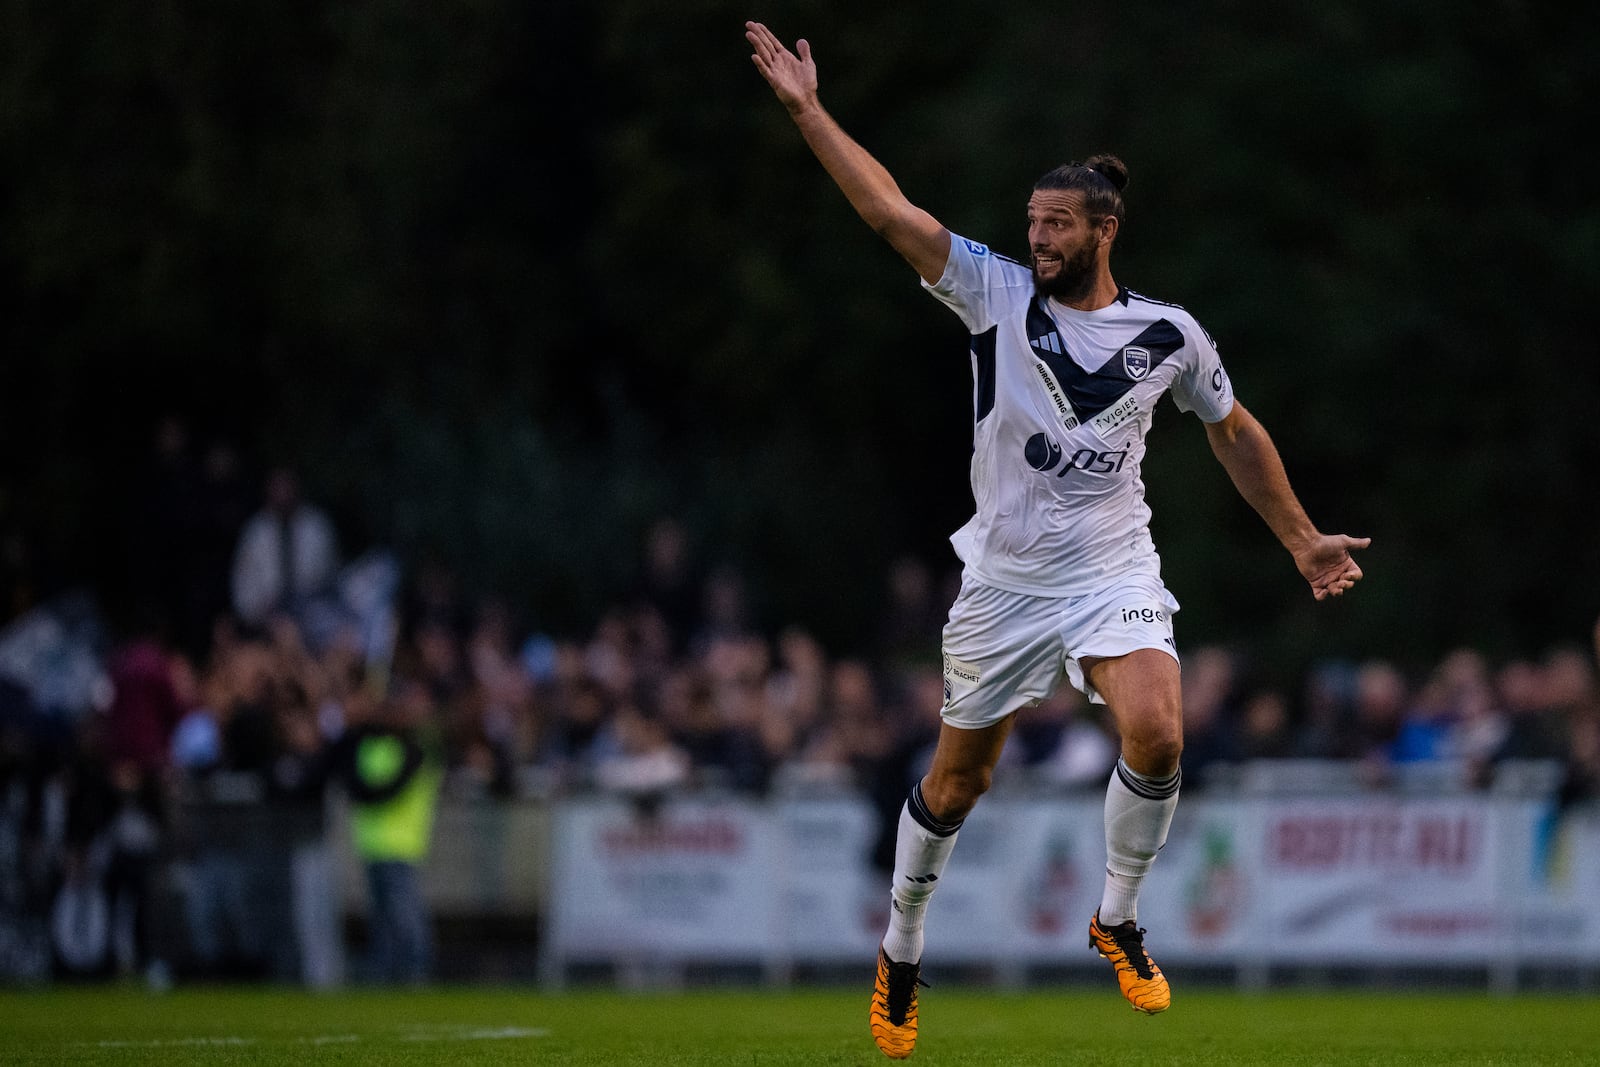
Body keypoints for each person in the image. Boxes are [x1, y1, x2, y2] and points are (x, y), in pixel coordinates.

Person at [745, 22, 1370, 1059]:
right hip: (1001, 582)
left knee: (1160, 732)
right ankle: (900, 947)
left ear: (1102, 230)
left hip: (1111, 566)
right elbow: (888, 211)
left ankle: (1116, 917)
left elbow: (1234, 429)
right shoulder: (990, 292)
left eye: (1055, 226)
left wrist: (1300, 538)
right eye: (1030, 222)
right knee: (956, 785)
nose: (1035, 238)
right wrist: (811, 112)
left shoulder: (1167, 334)